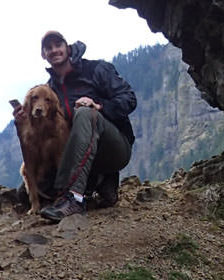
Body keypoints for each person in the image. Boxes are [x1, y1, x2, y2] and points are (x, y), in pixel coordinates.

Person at [16, 30, 136, 222]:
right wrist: (25, 121)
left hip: (113, 148)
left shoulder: (96, 69)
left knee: (84, 113)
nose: (54, 50)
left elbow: (129, 98)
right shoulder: (48, 92)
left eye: (58, 45)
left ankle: (75, 198)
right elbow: (46, 132)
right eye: (48, 47)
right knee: (25, 193)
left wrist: (98, 106)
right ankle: (98, 182)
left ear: (68, 48)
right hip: (75, 156)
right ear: (43, 55)